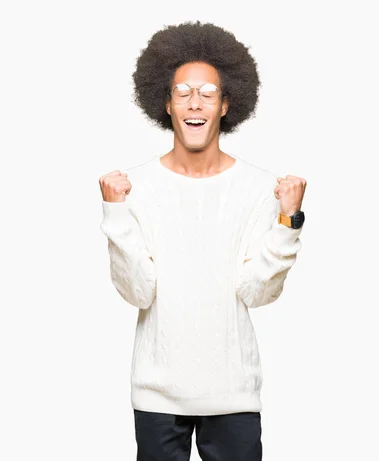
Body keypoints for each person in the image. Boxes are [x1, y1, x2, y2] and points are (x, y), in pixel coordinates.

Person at [98, 21, 306, 461]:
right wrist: (115, 213)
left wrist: (288, 221)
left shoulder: (259, 188)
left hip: (233, 395)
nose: (195, 103)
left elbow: (257, 291)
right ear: (166, 103)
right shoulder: (133, 188)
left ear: (227, 103)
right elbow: (138, 291)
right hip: (157, 397)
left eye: (208, 93)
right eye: (183, 92)